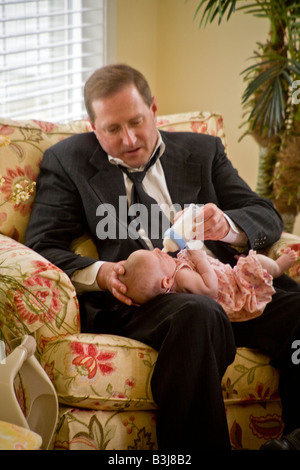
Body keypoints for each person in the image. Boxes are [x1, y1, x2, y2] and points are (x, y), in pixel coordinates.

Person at [25, 63, 300, 450]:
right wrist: (102, 273)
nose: (129, 138)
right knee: (198, 313)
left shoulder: (203, 150)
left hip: (230, 286)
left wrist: (228, 225)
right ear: (93, 127)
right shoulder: (68, 162)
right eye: (112, 129)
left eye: (137, 121)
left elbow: (264, 214)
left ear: (154, 109)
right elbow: (42, 245)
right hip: (148, 302)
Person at [118, 247, 297, 321]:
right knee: (256, 261)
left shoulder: (172, 273)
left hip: (230, 277)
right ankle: (278, 266)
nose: (158, 249)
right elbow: (210, 289)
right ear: (166, 282)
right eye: (157, 256)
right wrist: (201, 260)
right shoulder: (181, 276)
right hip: (235, 287)